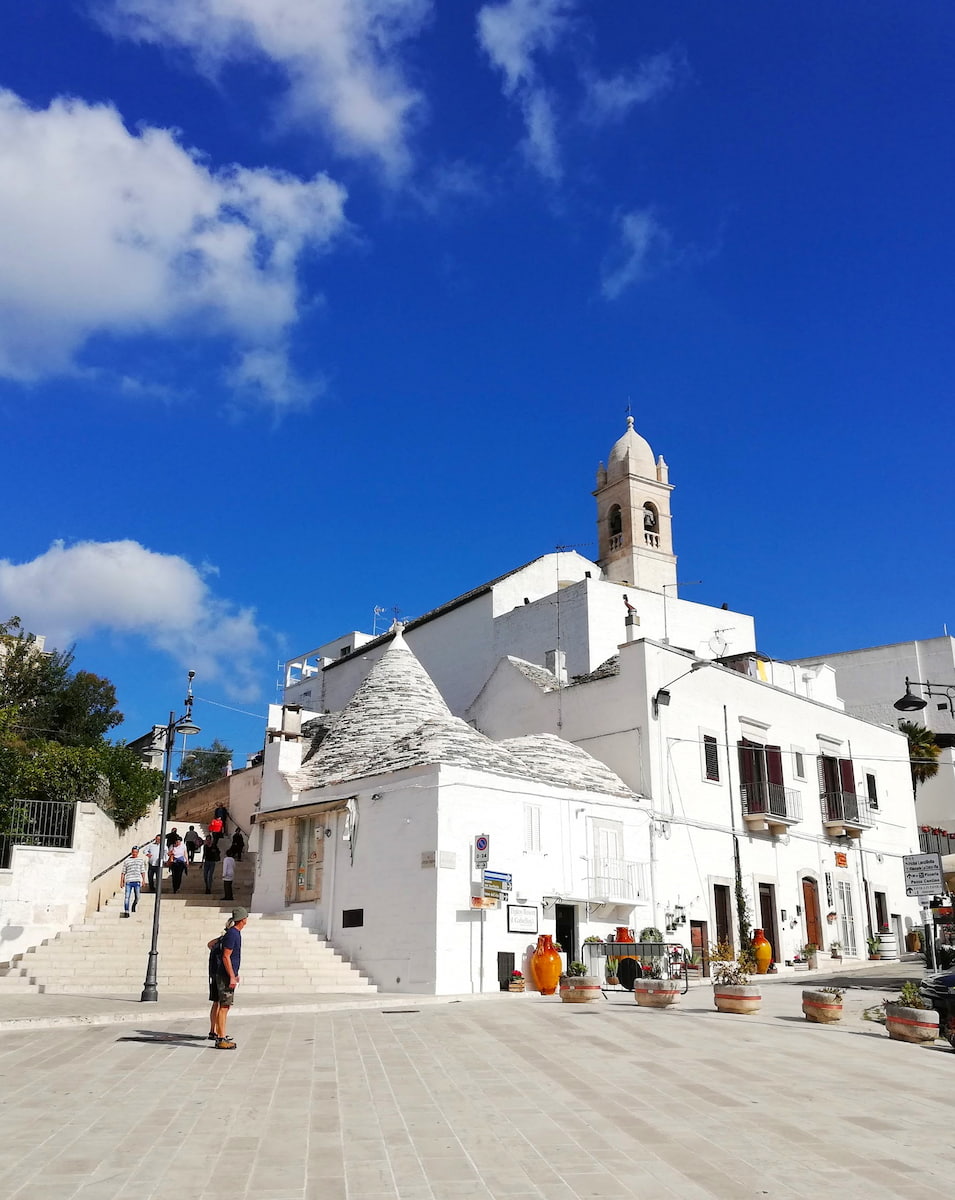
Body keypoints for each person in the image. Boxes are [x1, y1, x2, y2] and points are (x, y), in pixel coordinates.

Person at [207, 907, 248, 1050]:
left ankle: (218, 1033)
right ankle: (221, 1038)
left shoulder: (231, 934)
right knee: (225, 1006)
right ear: (243, 919)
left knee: (220, 1004)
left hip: (223, 973)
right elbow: (226, 956)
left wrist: (235, 973)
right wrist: (231, 976)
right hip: (224, 975)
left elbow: (211, 945)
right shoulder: (233, 934)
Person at [120, 846, 146, 917]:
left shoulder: (140, 860)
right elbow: (123, 872)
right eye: (133, 852)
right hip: (129, 881)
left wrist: (143, 880)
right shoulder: (127, 861)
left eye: (136, 852)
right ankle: (126, 911)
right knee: (127, 896)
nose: (134, 853)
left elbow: (143, 871)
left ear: (138, 853)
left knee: (138, 897)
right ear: (131, 852)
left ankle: (134, 905)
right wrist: (121, 881)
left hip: (137, 880)